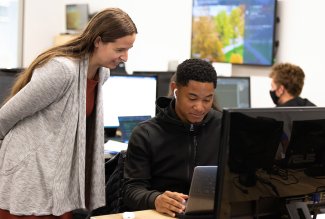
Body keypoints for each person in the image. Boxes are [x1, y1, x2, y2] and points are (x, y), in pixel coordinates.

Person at [0, 8, 137, 218]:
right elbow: (6, 116)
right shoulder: (62, 70)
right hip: (29, 175)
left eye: (129, 49)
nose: (125, 57)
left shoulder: (102, 74)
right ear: (98, 41)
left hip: (58, 177)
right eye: (120, 49)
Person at [123, 58, 222, 217]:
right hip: (164, 214)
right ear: (175, 89)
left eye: (207, 99)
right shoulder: (146, 133)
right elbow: (131, 190)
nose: (199, 107)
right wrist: (155, 199)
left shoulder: (224, 127)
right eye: (192, 98)